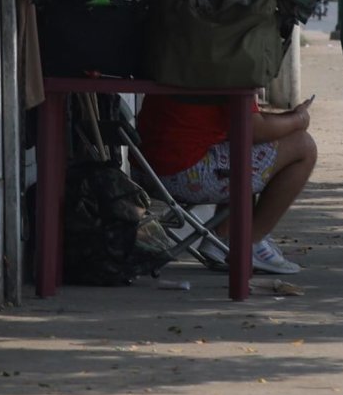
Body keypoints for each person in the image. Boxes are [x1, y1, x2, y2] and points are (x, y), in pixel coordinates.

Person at [134, 94, 318, 274]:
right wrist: (298, 119)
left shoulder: (183, 63)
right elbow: (254, 129)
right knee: (303, 145)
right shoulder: (232, 66)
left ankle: (224, 237)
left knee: (239, 143)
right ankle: (249, 243)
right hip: (184, 174)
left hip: (145, 169)